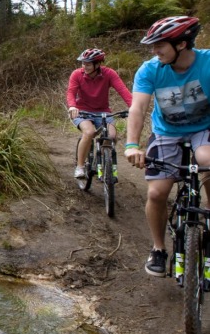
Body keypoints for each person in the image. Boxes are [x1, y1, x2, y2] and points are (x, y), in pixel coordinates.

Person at [124, 16, 210, 278]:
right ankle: (159, 248)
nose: (154, 51)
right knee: (156, 194)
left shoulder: (207, 63)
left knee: (206, 159)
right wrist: (131, 145)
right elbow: (137, 108)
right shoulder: (151, 69)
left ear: (181, 44)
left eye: (159, 45)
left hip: (204, 129)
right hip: (166, 132)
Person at [67, 48, 133, 179]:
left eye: (88, 64)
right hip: (82, 111)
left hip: (102, 112)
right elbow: (71, 92)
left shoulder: (109, 74)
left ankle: (104, 161)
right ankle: (80, 166)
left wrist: (134, 107)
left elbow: (123, 91)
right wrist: (72, 106)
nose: (84, 66)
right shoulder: (77, 74)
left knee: (112, 136)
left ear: (98, 64)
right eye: (83, 63)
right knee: (89, 132)